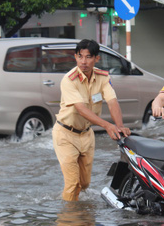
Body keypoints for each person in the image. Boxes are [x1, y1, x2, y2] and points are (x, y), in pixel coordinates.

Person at [53, 39, 131, 202]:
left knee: (85, 183)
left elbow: (112, 101)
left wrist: (120, 126)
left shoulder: (103, 77)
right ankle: (70, 221)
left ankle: (80, 215)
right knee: (73, 183)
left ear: (96, 58)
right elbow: (80, 109)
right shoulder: (69, 79)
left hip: (87, 135)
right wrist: (107, 125)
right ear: (75, 57)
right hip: (65, 134)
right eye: (80, 56)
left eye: (88, 57)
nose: (83, 61)